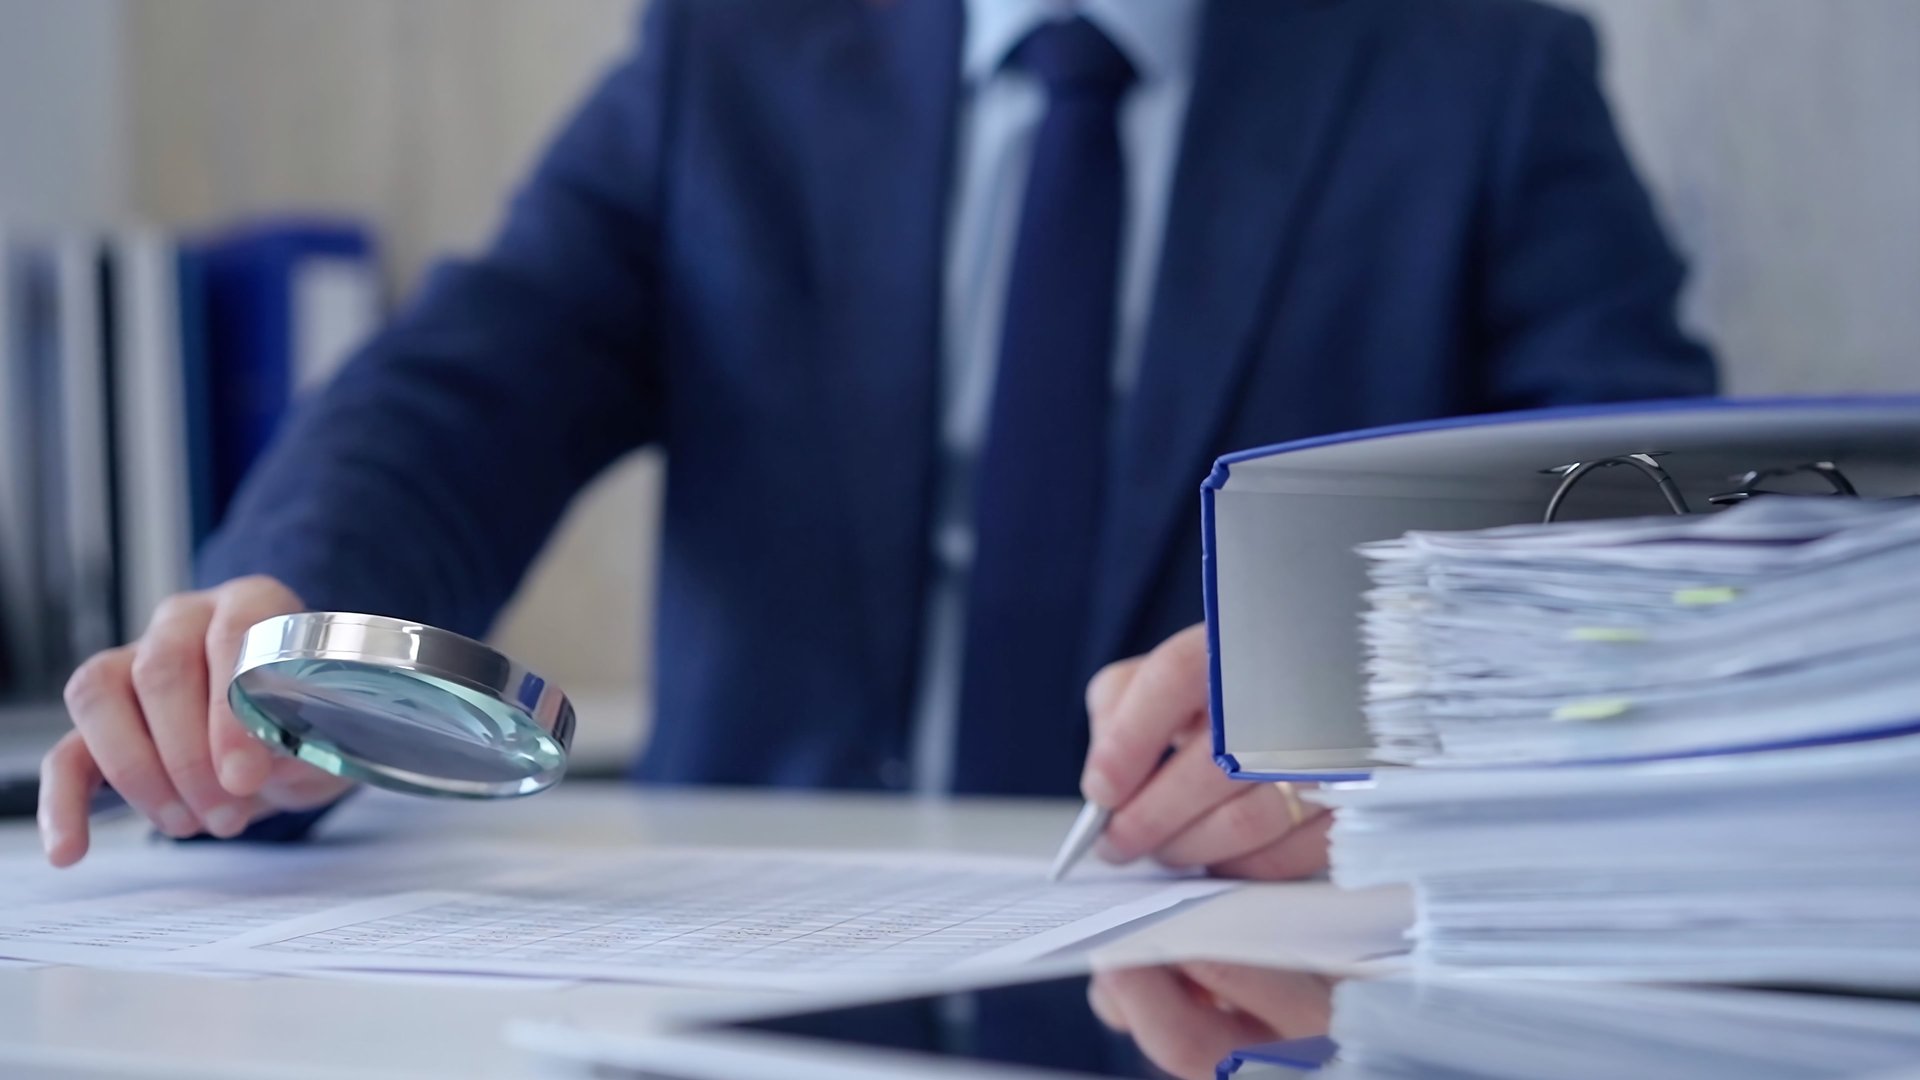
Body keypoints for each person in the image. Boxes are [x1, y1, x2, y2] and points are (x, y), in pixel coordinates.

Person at [39, 0, 1714, 871]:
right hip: (756, 951)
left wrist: (1359, 704)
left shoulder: (1487, 77)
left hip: (1243, 949)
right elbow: (466, 384)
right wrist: (289, 629)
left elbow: (1636, 511)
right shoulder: (724, 63)